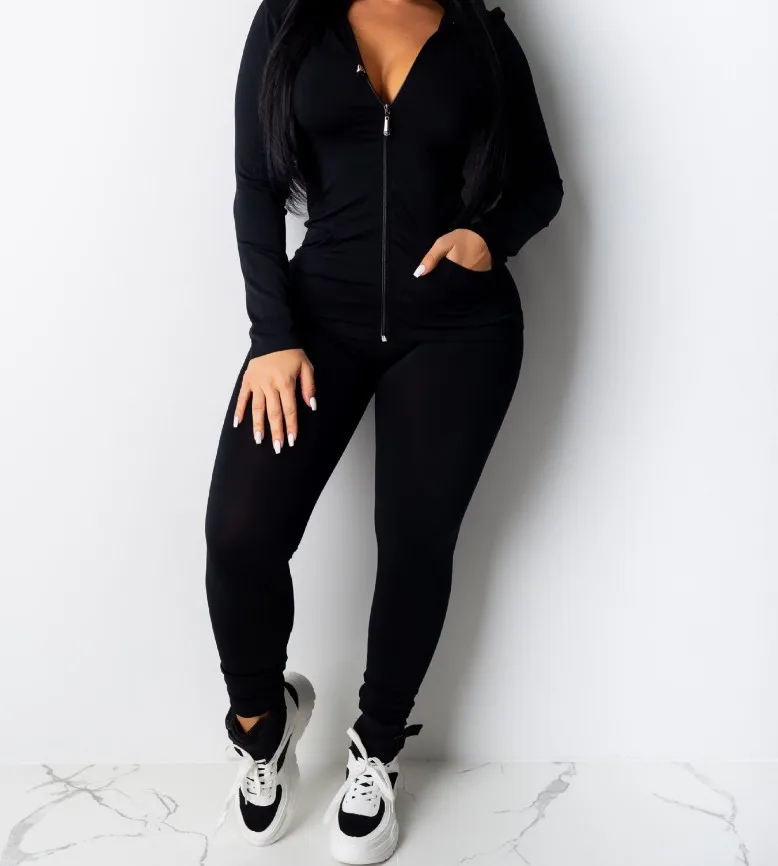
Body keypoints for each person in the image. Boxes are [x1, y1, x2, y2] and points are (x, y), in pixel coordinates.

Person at [204, 0, 563, 861]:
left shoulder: (480, 35)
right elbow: (256, 187)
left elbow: (541, 183)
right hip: (316, 320)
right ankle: (262, 724)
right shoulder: (290, 20)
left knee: (413, 542)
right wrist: (273, 337)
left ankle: (378, 747)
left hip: (458, 330)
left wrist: (487, 237)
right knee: (241, 535)